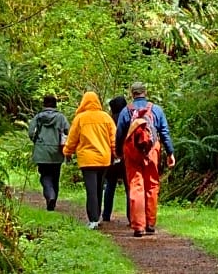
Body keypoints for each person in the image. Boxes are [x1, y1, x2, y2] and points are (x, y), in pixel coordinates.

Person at [115, 80, 176, 238]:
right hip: (151, 151)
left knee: (136, 187)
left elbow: (120, 134)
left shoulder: (126, 111)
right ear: (145, 92)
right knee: (152, 186)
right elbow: (164, 132)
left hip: (132, 153)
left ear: (132, 93)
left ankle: (138, 226)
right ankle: (150, 224)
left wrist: (119, 152)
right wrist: (170, 153)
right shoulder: (156, 110)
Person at [62, 91, 116, 229]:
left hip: (87, 160)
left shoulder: (80, 119)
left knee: (91, 190)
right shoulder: (106, 118)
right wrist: (116, 154)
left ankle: (93, 220)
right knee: (99, 188)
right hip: (104, 159)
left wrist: (67, 152)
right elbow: (113, 139)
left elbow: (72, 139)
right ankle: (96, 217)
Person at [28, 94, 70, 211]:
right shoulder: (61, 118)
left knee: (45, 176)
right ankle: (53, 200)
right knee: (55, 177)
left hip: (41, 151)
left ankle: (50, 196)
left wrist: (36, 141)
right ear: (55, 104)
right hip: (57, 151)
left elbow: (31, 132)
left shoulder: (38, 117)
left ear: (44, 104)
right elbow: (68, 131)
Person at [101, 95, 130, 223]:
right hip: (127, 156)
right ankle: (131, 217)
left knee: (110, 185)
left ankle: (106, 215)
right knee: (129, 187)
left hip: (112, 157)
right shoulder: (129, 118)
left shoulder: (109, 120)